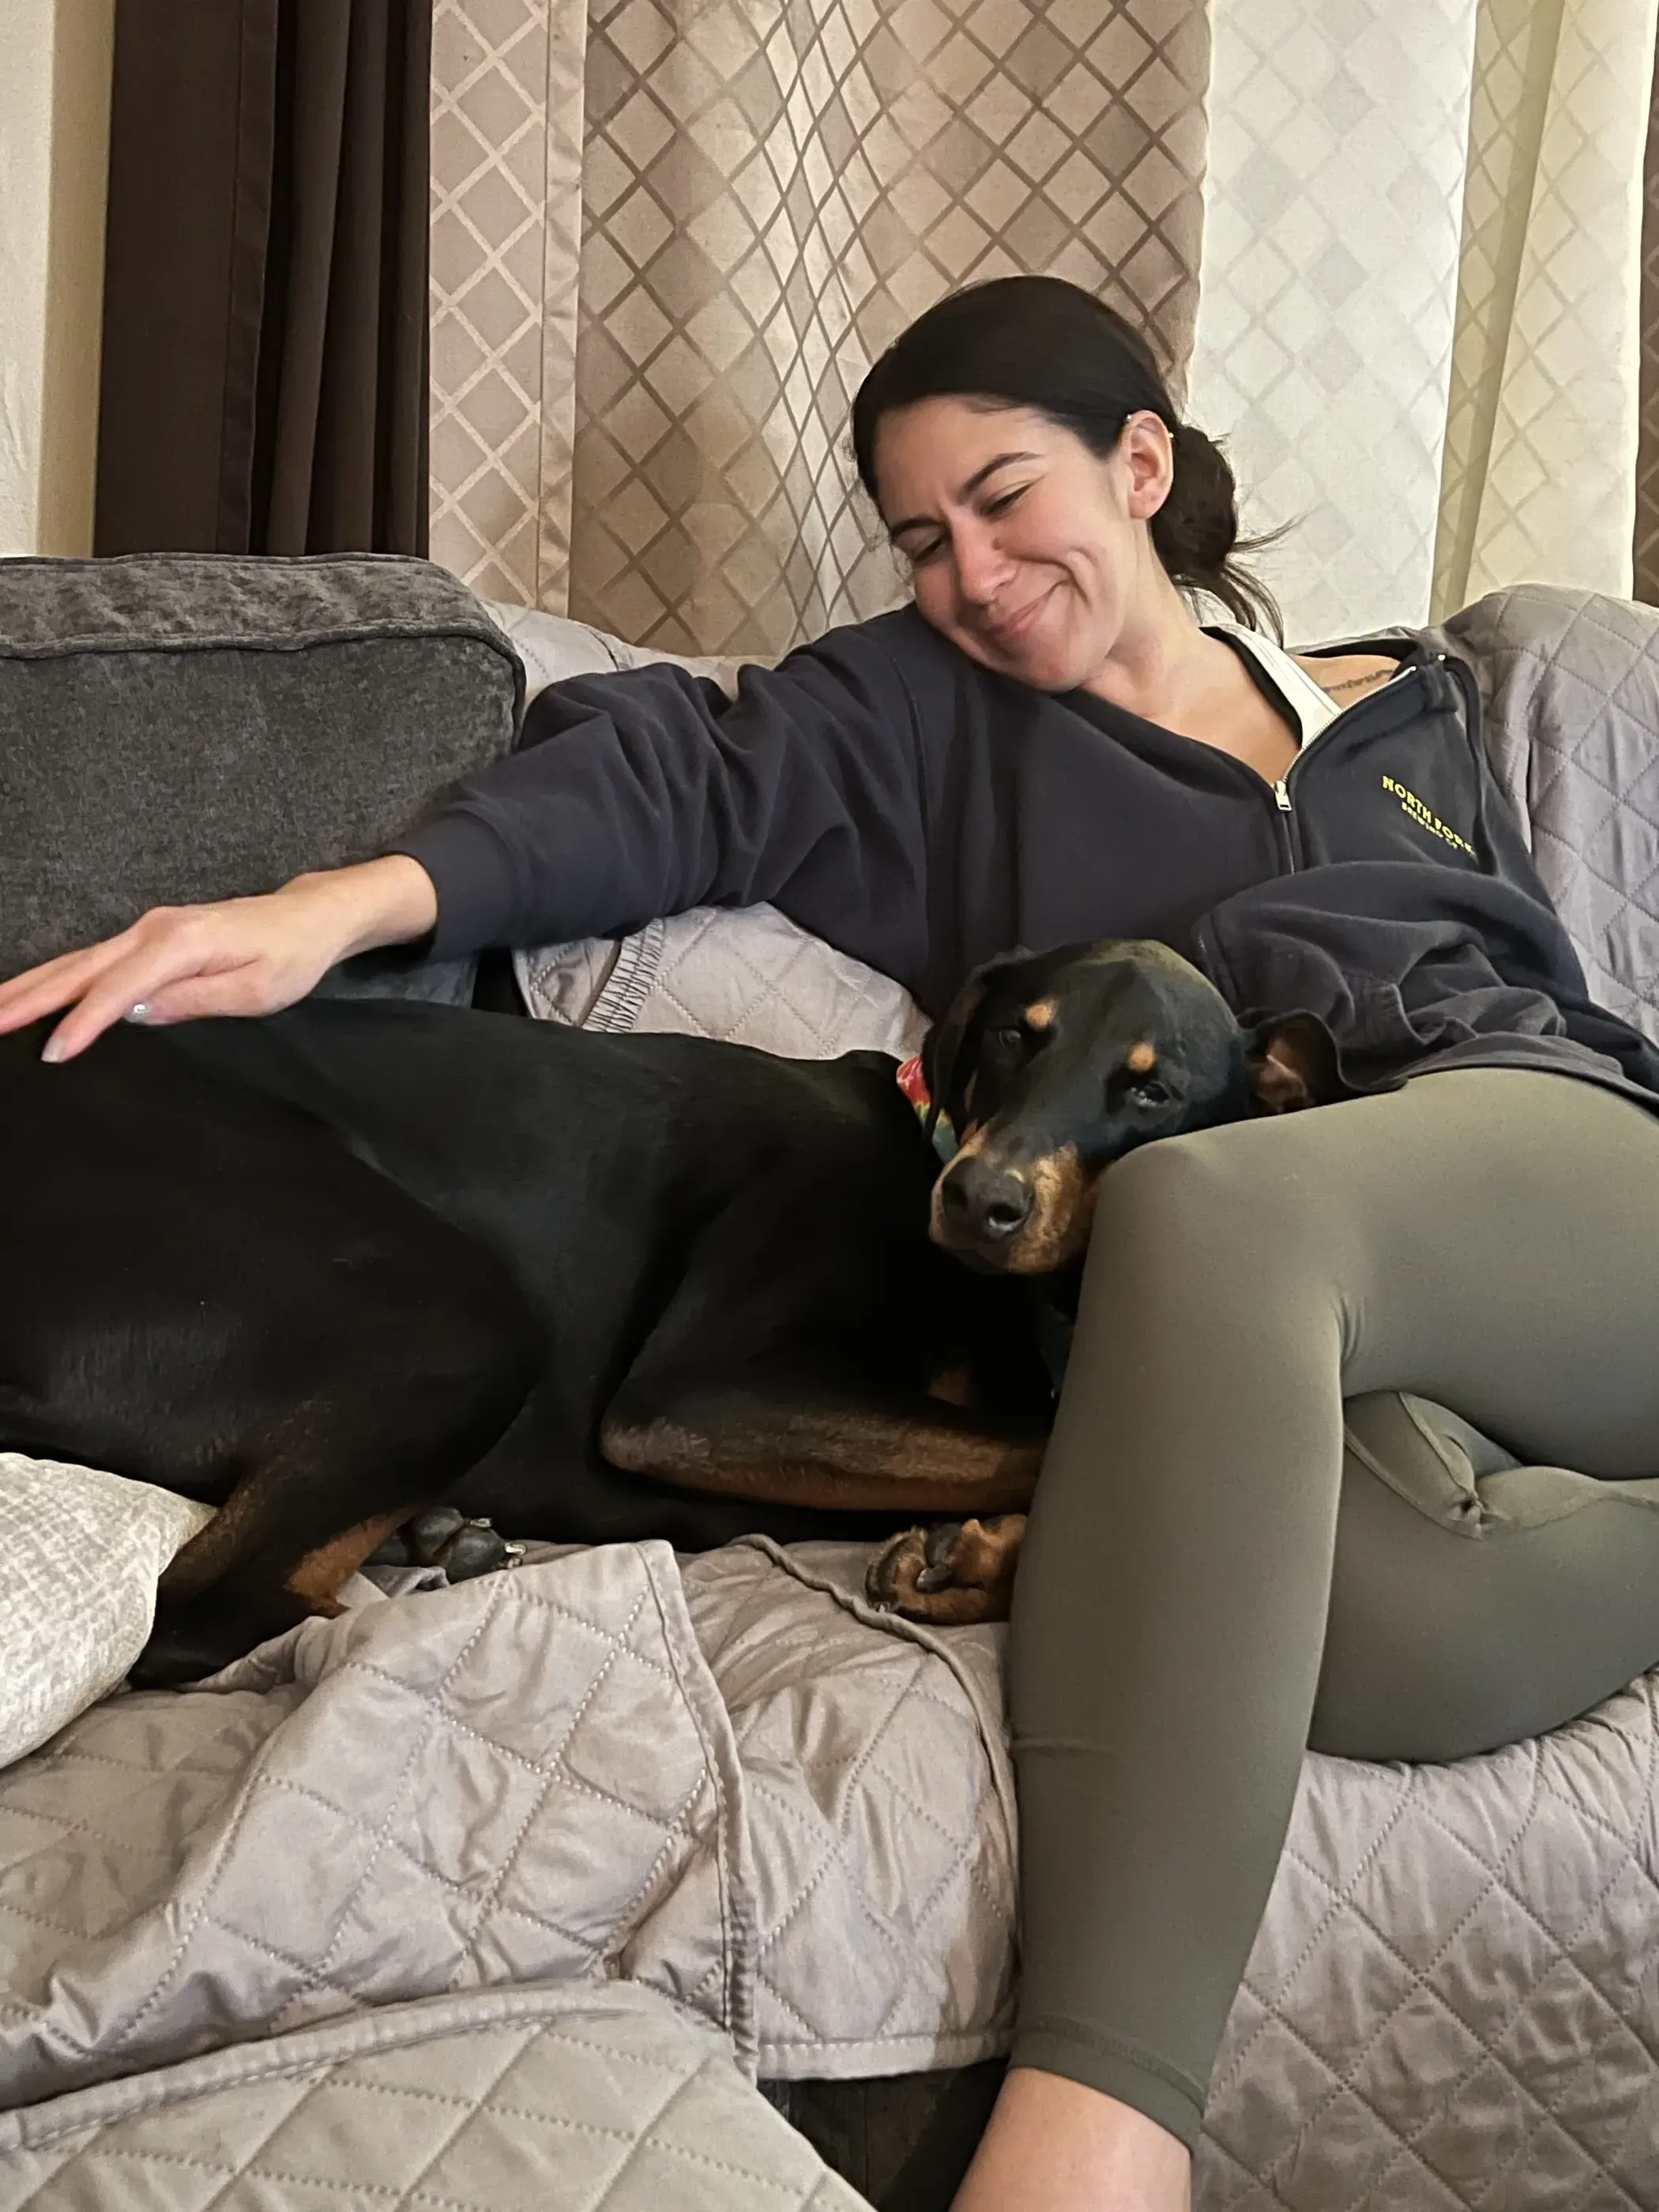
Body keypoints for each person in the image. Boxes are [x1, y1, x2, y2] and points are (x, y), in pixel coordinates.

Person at [6, 274, 1659, 2212]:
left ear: (1142, 467)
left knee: (1208, 1204)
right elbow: (674, 770)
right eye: (918, 534)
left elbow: (1519, 1001)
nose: (968, 565)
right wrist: (332, 909)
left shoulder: (1415, 707)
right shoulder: (927, 720)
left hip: (1546, 1147)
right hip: (1314, 1327)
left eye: (1006, 494)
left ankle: (1098, 2138)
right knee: (1355, 1625)